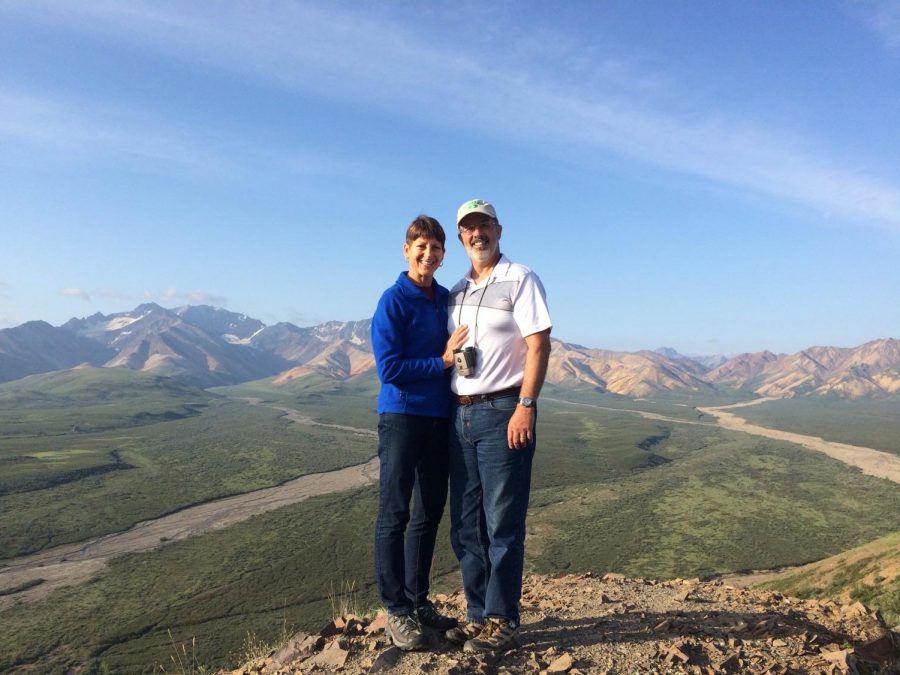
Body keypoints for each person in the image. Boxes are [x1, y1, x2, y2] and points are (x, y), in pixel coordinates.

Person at [445, 199, 552, 654]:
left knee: (501, 522)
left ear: (498, 229)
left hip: (503, 410)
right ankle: (476, 615)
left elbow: (539, 343)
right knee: (466, 525)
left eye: (483, 225)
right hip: (460, 412)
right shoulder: (456, 291)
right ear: (461, 237)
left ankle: (501, 618)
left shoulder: (521, 277)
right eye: (468, 228)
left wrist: (525, 405)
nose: (476, 234)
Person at [371, 215, 469, 650]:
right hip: (402, 417)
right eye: (420, 247)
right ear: (406, 250)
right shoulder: (393, 301)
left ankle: (418, 600)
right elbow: (389, 369)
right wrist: (443, 362)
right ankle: (396, 610)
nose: (428, 255)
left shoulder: (444, 299)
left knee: (429, 511)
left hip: (438, 417)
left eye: (436, 248)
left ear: (444, 254)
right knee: (395, 512)